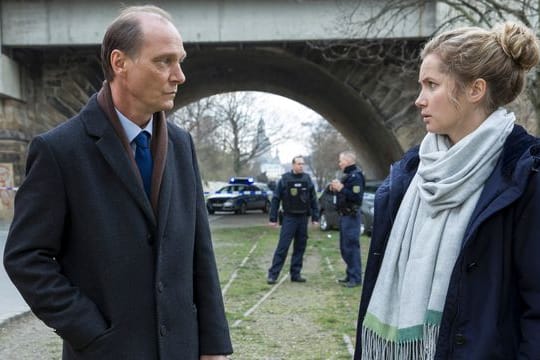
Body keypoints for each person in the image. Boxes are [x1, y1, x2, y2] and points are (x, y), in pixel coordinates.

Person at [3, 6, 233, 360]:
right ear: (119, 63)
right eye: (164, 61)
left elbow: (199, 251)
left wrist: (213, 344)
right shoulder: (59, 150)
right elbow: (25, 258)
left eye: (180, 60)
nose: (180, 75)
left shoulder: (182, 144)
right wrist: (90, 330)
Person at [355, 21, 540, 359]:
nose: (418, 100)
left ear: (475, 90)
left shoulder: (524, 175)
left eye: (431, 85)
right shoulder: (411, 175)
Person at [267, 155, 319, 284]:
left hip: (303, 218)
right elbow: (276, 199)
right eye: (299, 164)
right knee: (283, 247)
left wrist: (315, 217)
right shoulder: (285, 179)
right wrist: (273, 218)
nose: (301, 166)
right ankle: (273, 274)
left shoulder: (307, 179)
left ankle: (296, 274)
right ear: (293, 165)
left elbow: (313, 199)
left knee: (300, 247)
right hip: (289, 218)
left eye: (303, 164)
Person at [329, 151, 365, 288]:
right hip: (344, 216)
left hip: (351, 216)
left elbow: (356, 197)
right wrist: (334, 188)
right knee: (345, 248)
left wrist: (342, 188)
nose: (339, 164)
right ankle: (350, 274)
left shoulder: (356, 176)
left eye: (341, 161)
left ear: (349, 161)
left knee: (351, 247)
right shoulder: (347, 176)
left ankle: (355, 278)